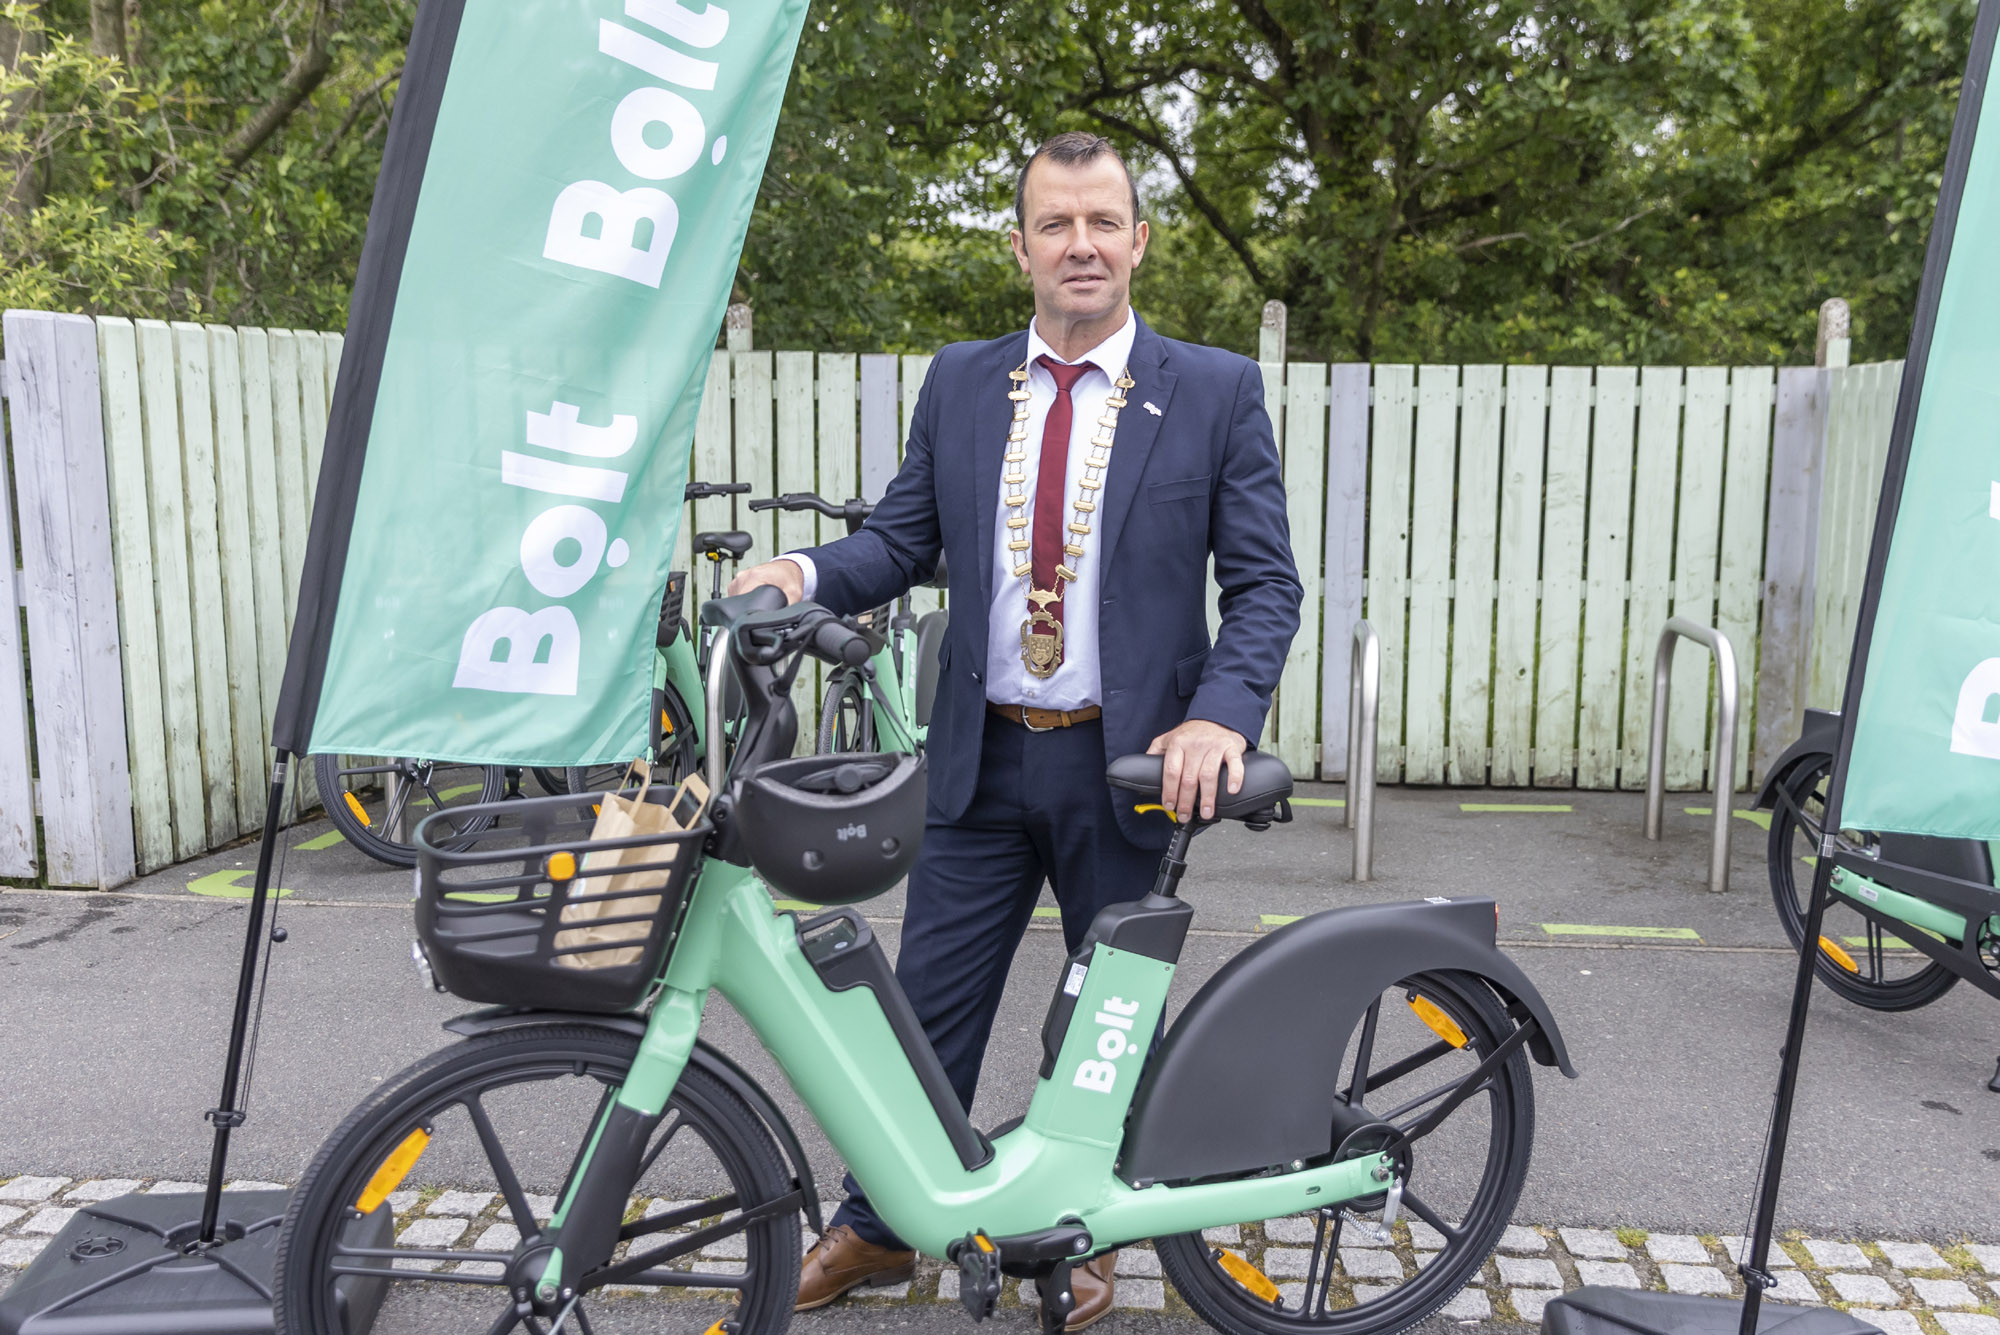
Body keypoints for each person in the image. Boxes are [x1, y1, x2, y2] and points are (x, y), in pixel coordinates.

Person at [728, 130, 1302, 1326]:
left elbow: (1263, 586)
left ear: (1138, 240)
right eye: (1056, 224)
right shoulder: (960, 380)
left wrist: (1218, 720)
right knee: (922, 1009)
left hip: (1132, 764)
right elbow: (898, 541)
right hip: (984, 752)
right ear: (1020, 246)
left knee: (1104, 1023)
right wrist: (801, 571)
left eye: (1102, 222)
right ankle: (880, 1228)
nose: (1080, 244)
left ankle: (1087, 1234)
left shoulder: (1211, 390)